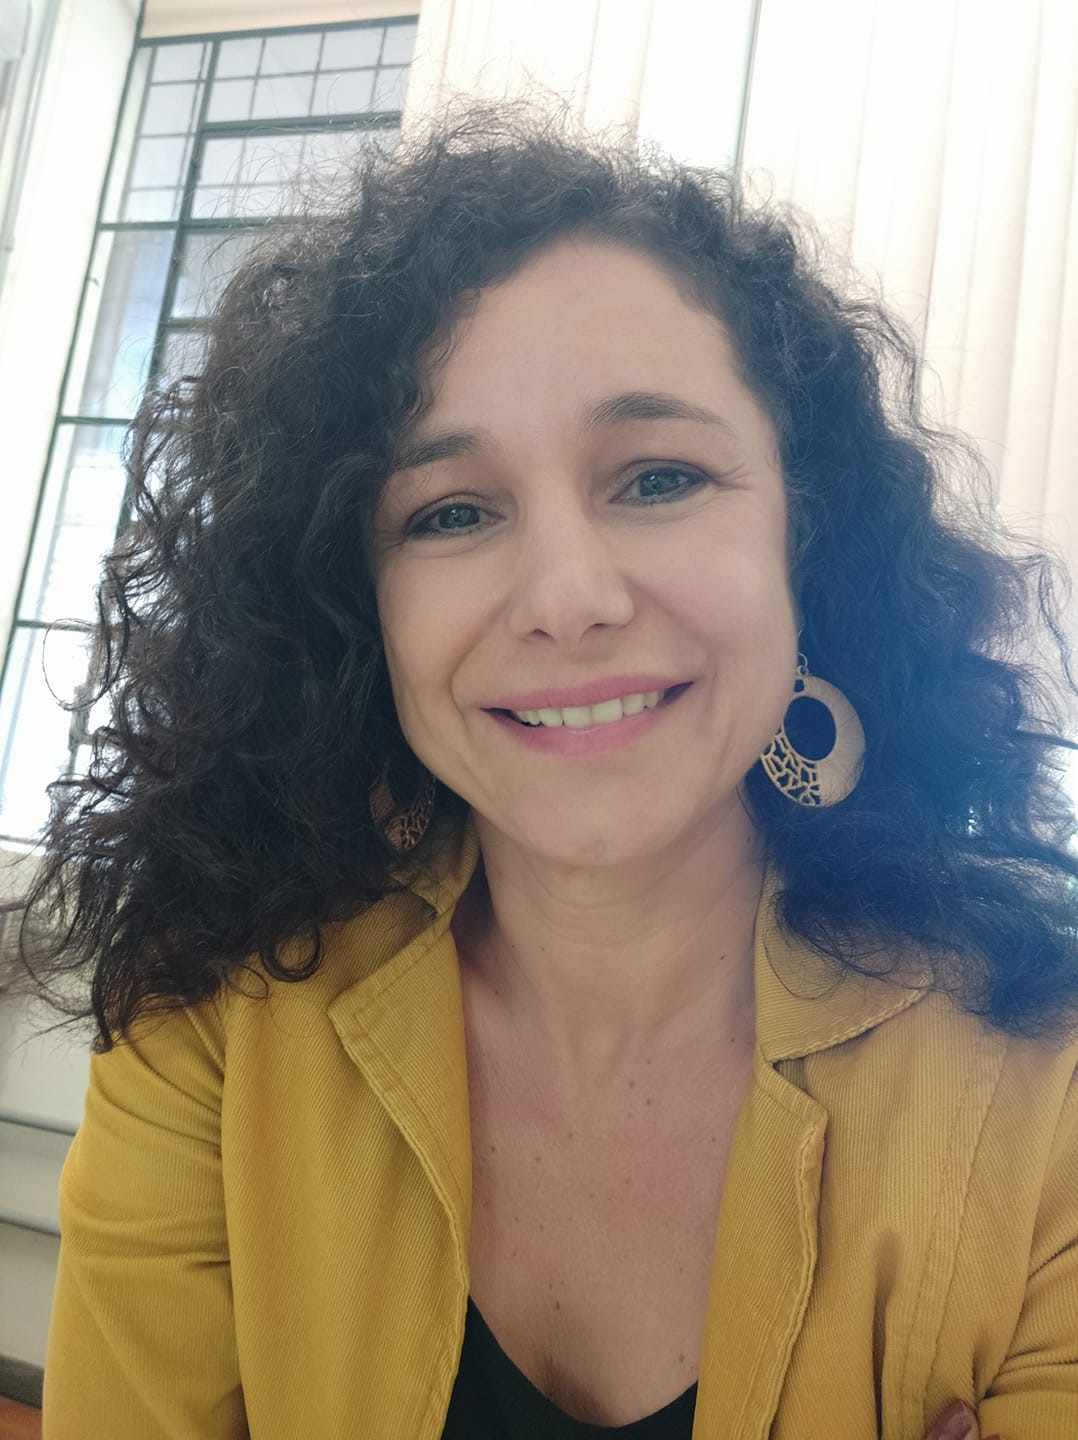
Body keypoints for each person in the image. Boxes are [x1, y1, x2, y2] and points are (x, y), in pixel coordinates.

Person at [13, 103, 1078, 1438]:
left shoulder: (1047, 1085)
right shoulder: (213, 1024)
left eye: (659, 478)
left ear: (806, 548)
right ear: (354, 611)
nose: (568, 600)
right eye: (451, 511)